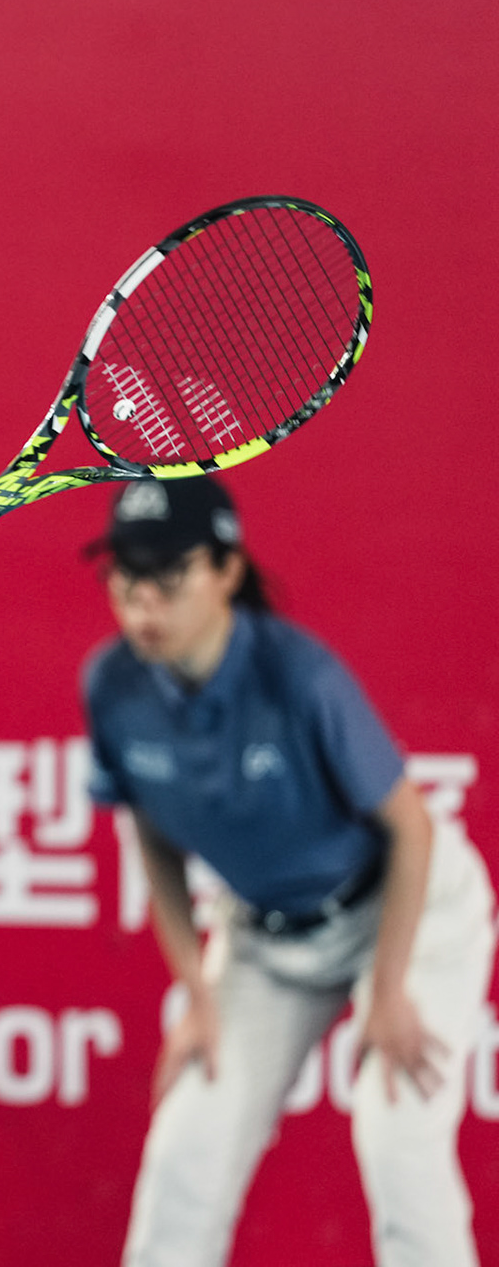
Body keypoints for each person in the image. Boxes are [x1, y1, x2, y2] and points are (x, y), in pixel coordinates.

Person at [80, 476, 495, 1267]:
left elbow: (411, 830)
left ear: (227, 571)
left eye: (168, 579)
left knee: (397, 1133)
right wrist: (196, 996)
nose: (143, 605)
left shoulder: (302, 679)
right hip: (263, 935)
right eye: (126, 580)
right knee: (188, 1141)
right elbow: (153, 837)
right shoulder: (113, 686)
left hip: (409, 914)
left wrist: (394, 986)